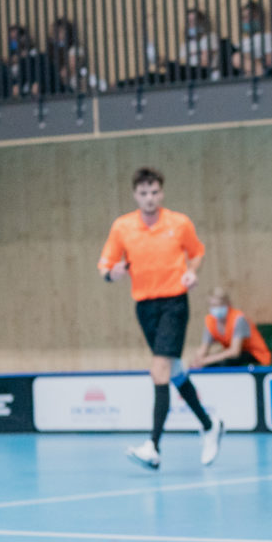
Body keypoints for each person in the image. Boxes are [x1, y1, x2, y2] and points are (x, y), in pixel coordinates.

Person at [99, 167, 225, 470]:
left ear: (162, 193)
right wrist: (112, 274)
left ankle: (153, 446)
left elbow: (197, 252)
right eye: (144, 193)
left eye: (154, 192)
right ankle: (210, 425)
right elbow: (105, 266)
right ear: (135, 195)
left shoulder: (179, 223)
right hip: (144, 306)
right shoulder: (122, 227)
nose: (150, 198)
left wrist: (191, 271)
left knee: (159, 370)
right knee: (174, 369)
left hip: (174, 303)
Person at [190, 287, 272, 368]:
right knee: (208, 366)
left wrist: (207, 360)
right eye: (213, 305)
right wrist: (197, 361)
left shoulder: (238, 319)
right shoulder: (210, 321)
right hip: (233, 354)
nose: (216, 308)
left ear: (228, 304)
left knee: (225, 363)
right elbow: (203, 349)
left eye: (220, 304)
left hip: (255, 354)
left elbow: (235, 351)